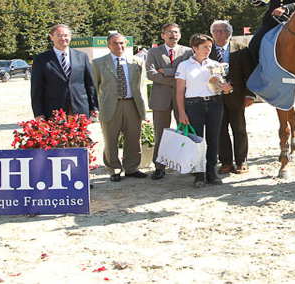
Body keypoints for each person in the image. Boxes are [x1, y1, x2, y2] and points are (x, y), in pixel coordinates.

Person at [176, 34, 233, 187]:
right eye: (205, 47)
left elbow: (222, 88)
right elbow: (180, 91)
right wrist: (182, 112)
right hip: (193, 104)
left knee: (213, 138)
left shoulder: (215, 65)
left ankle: (211, 171)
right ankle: (199, 173)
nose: (208, 50)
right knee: (197, 141)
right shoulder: (184, 66)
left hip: (214, 103)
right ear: (195, 48)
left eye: (210, 46)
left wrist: (227, 89)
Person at [92, 32, 148, 182]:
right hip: (110, 105)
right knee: (111, 139)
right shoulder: (98, 63)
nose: (119, 46)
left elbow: (139, 85)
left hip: (132, 104)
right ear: (108, 45)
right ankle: (114, 169)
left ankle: (131, 168)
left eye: (122, 43)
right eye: (115, 43)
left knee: (133, 138)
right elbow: (95, 86)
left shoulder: (136, 62)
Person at [146, 23, 194, 180]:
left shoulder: (187, 52)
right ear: (163, 35)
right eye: (169, 32)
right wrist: (177, 79)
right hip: (161, 99)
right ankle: (159, 166)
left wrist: (167, 72)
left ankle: (187, 163)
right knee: (161, 133)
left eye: (175, 32)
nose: (173, 35)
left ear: (180, 35)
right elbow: (151, 74)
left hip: (183, 98)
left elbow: (189, 72)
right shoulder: (154, 52)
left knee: (185, 132)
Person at [209, 20, 255, 175]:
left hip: (237, 96)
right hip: (215, 97)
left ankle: (242, 161)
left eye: (222, 31)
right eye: (215, 31)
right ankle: (226, 162)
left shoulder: (241, 50)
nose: (218, 34)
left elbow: (249, 73)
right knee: (220, 130)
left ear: (229, 33)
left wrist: (250, 94)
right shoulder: (207, 52)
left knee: (239, 129)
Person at [31, 24, 98, 121]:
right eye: (59, 35)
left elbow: (90, 84)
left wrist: (94, 106)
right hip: (54, 111)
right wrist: (39, 113)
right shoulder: (41, 59)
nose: (63, 38)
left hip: (80, 109)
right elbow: (36, 89)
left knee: (81, 136)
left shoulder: (82, 56)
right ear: (51, 37)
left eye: (66, 35)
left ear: (70, 37)